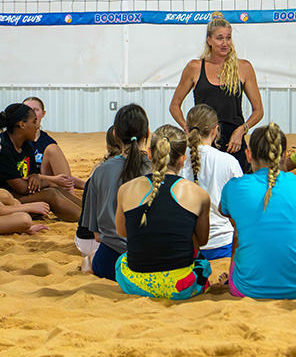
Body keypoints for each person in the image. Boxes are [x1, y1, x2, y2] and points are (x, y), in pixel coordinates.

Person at [114, 124, 212, 299]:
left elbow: (122, 232)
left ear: (150, 153)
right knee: (202, 263)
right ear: (183, 159)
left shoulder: (126, 189)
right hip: (180, 287)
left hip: (136, 284)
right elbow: (202, 241)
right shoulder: (199, 195)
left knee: (121, 261)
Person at [220, 122, 296, 299]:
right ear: (285, 155)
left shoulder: (234, 187)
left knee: (238, 231)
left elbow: (225, 212)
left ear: (248, 155)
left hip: (247, 289)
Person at [169, 11, 264, 173]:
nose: (225, 43)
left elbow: (258, 110)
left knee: (237, 187)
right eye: (219, 38)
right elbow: (174, 106)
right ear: (209, 40)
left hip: (234, 141)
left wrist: (242, 130)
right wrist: (188, 128)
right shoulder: (195, 68)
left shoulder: (244, 68)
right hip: (203, 140)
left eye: (228, 38)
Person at [80, 104, 151, 280]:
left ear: (114, 134)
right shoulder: (156, 168)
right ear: (147, 133)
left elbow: (96, 235)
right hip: (150, 259)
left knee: (87, 261)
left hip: (110, 261)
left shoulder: (100, 172)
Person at [0, 103, 81, 221]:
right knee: (50, 193)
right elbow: (21, 188)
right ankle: (83, 218)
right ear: (22, 125)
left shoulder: (26, 145)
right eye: (34, 121)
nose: (37, 126)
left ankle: (88, 213)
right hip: (3, 198)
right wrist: (46, 182)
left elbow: (32, 175)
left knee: (56, 188)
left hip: (19, 193)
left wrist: (35, 176)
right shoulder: (3, 148)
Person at [177, 104, 241, 260]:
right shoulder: (228, 162)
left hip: (185, 243)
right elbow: (240, 204)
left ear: (186, 129)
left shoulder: (176, 160)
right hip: (222, 242)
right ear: (215, 130)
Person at [22, 96, 86, 206]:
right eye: (27, 109)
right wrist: (55, 179)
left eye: (36, 110)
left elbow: (61, 176)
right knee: (54, 182)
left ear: (43, 113)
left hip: (47, 180)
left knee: (53, 149)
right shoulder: (19, 139)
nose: (32, 113)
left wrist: (85, 185)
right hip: (28, 183)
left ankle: (72, 194)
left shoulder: (48, 141)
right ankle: (72, 198)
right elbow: (22, 175)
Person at [75, 127, 120, 273]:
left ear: (107, 147)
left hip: (83, 238)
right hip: (101, 240)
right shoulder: (130, 169)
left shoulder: (99, 169)